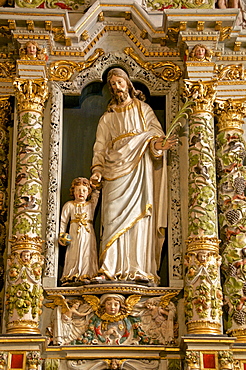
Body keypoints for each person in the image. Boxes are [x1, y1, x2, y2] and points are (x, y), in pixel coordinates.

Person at [90, 68, 177, 285]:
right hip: (113, 170)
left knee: (140, 217)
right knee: (111, 218)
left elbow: (155, 134)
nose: (115, 87)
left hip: (139, 167)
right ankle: (108, 268)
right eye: (112, 85)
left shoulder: (143, 109)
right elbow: (99, 146)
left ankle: (140, 268)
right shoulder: (107, 118)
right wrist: (97, 169)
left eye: (119, 82)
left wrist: (157, 144)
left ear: (128, 84)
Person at [59, 177, 99, 284]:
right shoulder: (69, 205)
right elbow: (63, 221)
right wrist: (62, 234)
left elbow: (96, 195)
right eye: (78, 190)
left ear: (88, 193)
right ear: (74, 192)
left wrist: (95, 186)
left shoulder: (91, 205)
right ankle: (71, 275)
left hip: (87, 233)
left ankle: (88, 274)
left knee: (88, 252)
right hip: (74, 233)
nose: (81, 193)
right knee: (73, 253)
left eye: (84, 190)